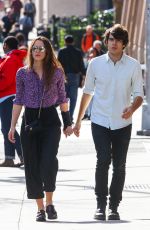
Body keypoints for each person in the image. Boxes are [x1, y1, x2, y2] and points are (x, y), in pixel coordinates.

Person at [74, 24, 144, 221]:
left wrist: (132, 107)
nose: (114, 43)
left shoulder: (133, 65)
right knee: (102, 160)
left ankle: (114, 206)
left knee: (119, 165)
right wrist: (78, 121)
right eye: (111, 39)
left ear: (124, 44)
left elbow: (139, 94)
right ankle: (100, 205)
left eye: (118, 40)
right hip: (100, 120)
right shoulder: (95, 64)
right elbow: (87, 92)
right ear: (106, 42)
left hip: (123, 123)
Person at [8, 36, 73, 222]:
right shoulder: (22, 73)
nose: (37, 51)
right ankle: (40, 208)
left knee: (48, 161)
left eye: (41, 48)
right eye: (34, 48)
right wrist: (12, 126)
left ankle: (50, 202)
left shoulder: (57, 72)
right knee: (32, 165)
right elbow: (18, 100)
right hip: (29, 121)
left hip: (50, 121)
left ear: (47, 52)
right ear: (31, 50)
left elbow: (62, 98)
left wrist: (67, 123)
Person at [0, 36, 27, 167]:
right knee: (7, 128)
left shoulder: (10, 59)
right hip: (8, 96)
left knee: (8, 128)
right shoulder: (12, 58)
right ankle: (10, 158)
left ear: (6, 45)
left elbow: (7, 80)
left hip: (8, 96)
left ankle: (23, 156)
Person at [58, 35, 86, 122]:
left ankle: (65, 117)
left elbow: (58, 64)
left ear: (65, 42)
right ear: (73, 42)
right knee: (73, 98)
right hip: (75, 76)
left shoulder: (62, 51)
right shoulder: (77, 52)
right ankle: (70, 116)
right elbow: (81, 64)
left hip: (64, 76)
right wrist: (84, 76)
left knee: (64, 97)